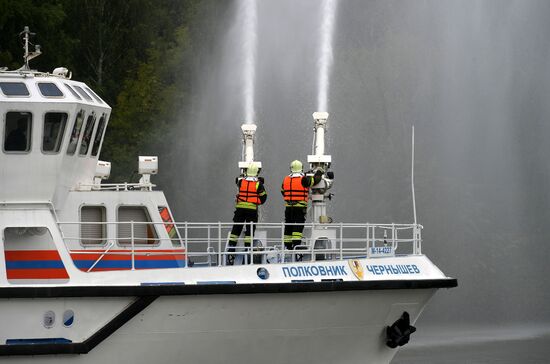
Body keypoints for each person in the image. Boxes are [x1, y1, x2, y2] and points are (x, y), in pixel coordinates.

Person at [227, 162, 267, 265]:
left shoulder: (241, 182)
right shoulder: (258, 184)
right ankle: (248, 249)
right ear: (257, 172)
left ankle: (231, 248)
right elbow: (263, 198)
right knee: (250, 230)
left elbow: (238, 180)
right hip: (251, 210)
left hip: (240, 209)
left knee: (236, 229)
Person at [281, 160, 322, 252]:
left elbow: (283, 190)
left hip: (288, 208)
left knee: (289, 226)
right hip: (299, 208)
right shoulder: (304, 179)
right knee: (298, 227)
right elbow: (315, 180)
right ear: (301, 168)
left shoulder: (286, 179)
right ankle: (296, 246)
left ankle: (287, 246)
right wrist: (319, 172)